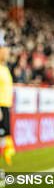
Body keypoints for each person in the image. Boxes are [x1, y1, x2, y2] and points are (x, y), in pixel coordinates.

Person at [0, 30, 14, 166]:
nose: (7, 52)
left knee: (3, 138)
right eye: (4, 49)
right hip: (0, 106)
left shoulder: (4, 68)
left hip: (5, 106)